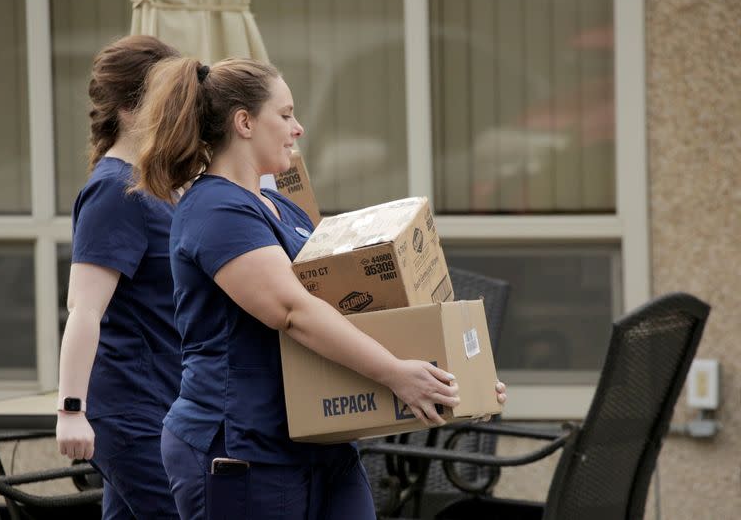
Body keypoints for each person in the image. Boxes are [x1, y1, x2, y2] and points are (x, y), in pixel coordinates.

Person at [132, 56, 508, 520]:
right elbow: (293, 311)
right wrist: (394, 372)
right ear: (244, 122)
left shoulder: (279, 207)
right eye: (286, 114)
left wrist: (454, 378)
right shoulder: (215, 210)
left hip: (315, 438)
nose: (299, 128)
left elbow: (353, 308)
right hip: (242, 444)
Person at [55, 35, 181, 520]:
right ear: (129, 110)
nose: (179, 110)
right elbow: (83, 309)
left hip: (159, 404)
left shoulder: (153, 184)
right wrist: (70, 410)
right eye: (167, 99)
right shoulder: (115, 191)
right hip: (132, 413)